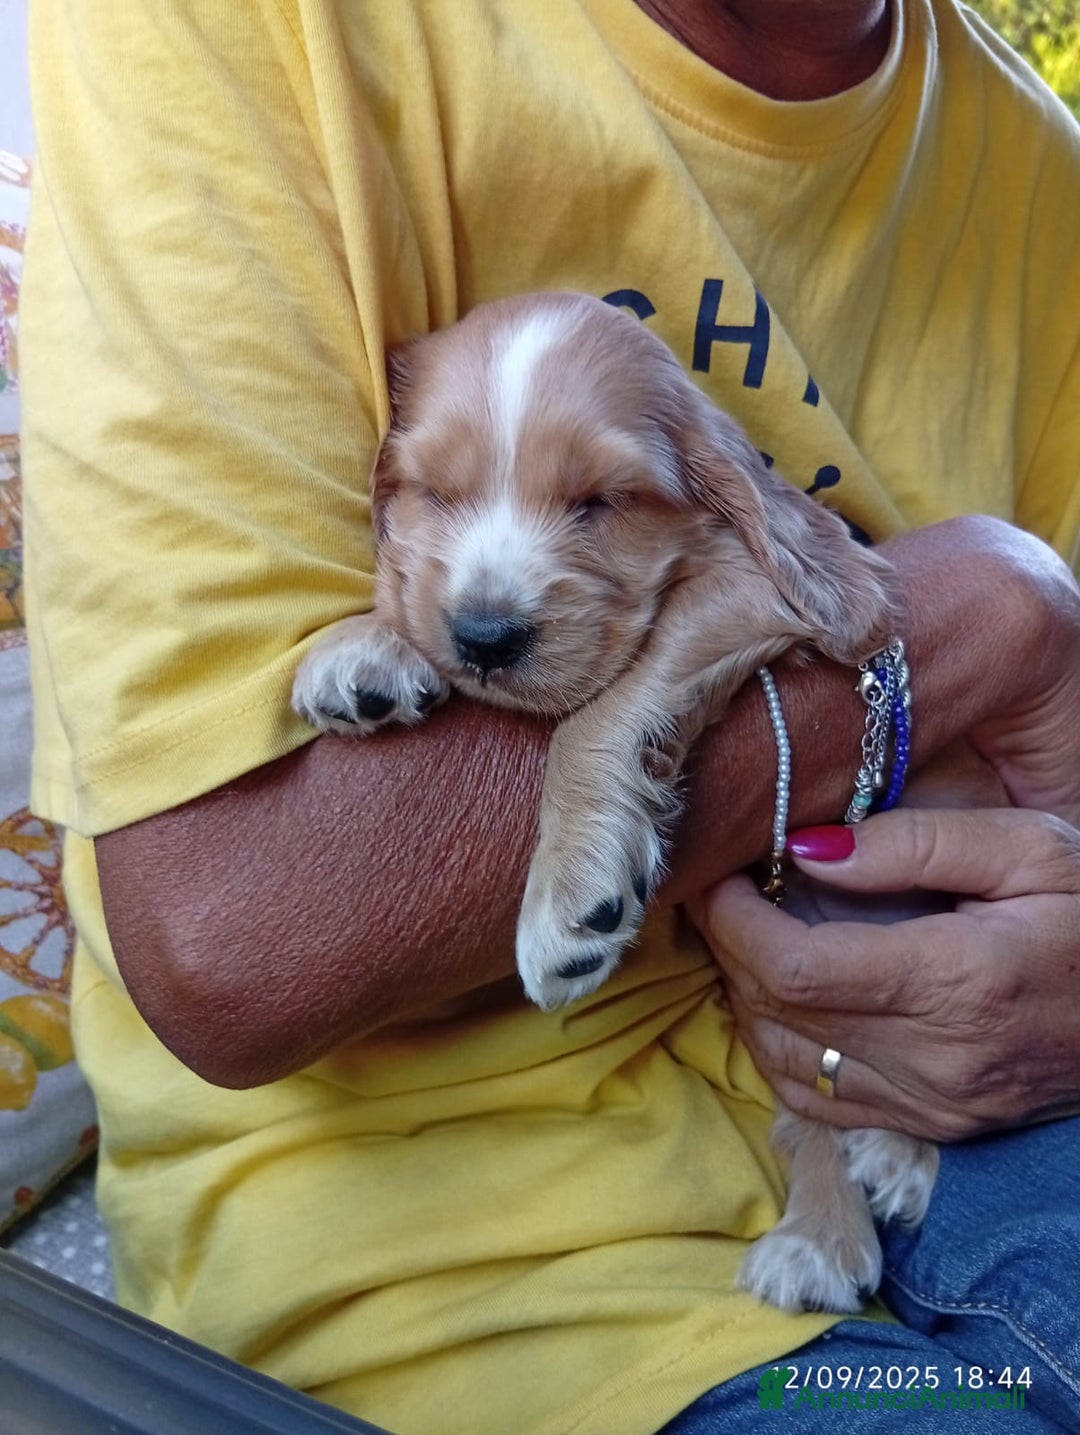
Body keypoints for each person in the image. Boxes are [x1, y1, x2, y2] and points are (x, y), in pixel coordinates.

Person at [20, 0, 1080, 1430]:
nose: (486, 591)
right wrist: (967, 618)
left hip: (963, 1094)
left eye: (593, 503)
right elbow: (236, 945)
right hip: (476, 1266)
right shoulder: (236, 28)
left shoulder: (1038, 174)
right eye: (433, 495)